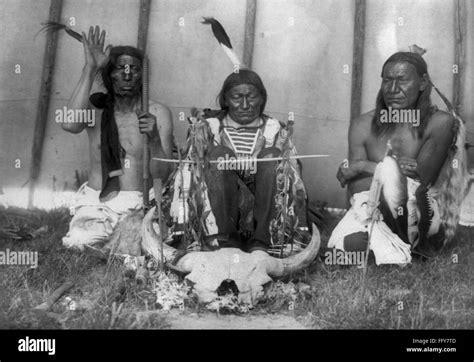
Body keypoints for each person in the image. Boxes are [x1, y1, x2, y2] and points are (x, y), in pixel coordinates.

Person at [330, 51, 462, 263]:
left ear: (422, 83)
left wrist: (364, 166)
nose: (392, 90)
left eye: (402, 81)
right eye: (387, 81)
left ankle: (409, 243)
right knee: (349, 247)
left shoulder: (440, 123)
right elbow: (356, 188)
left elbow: (421, 181)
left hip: (419, 213)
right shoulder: (362, 124)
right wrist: (390, 169)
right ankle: (399, 248)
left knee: (404, 199)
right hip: (370, 209)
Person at [61, 26, 174, 251]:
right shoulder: (96, 108)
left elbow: (163, 174)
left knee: (154, 243)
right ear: (108, 74)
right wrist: (90, 67)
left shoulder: (157, 113)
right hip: (98, 203)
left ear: (144, 75)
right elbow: (70, 124)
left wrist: (153, 140)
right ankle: (117, 241)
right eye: (120, 68)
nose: (127, 74)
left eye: (134, 68)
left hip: (140, 201)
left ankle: (124, 238)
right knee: (81, 239)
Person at [178, 69, 309, 254]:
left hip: (265, 212)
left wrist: (261, 165)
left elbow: (294, 180)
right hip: (217, 213)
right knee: (219, 156)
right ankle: (225, 242)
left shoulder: (275, 130)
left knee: (273, 156)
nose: (245, 105)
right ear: (225, 100)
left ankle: (264, 243)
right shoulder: (208, 129)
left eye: (252, 97)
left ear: (262, 99)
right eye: (237, 97)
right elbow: (189, 174)